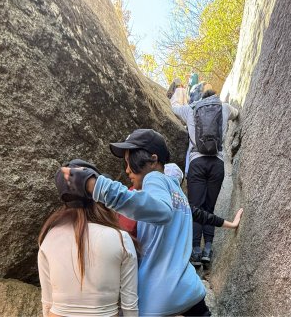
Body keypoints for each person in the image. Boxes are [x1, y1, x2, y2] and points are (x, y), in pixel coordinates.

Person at [61, 129, 213, 316]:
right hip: (190, 290)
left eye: (130, 162)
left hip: (158, 299)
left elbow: (161, 211)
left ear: (153, 159)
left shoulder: (154, 178)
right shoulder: (177, 190)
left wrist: (96, 186)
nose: (127, 170)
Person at [38, 159, 138, 317]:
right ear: (96, 192)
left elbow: (47, 302)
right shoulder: (120, 238)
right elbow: (130, 305)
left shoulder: (48, 238)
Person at [171, 89, 239, 266]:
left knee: (195, 208)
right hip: (217, 164)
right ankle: (208, 249)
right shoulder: (223, 107)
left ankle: (195, 251)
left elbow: (174, 107)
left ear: (202, 99)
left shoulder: (191, 109)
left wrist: (179, 93)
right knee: (209, 207)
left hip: (197, 163)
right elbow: (237, 113)